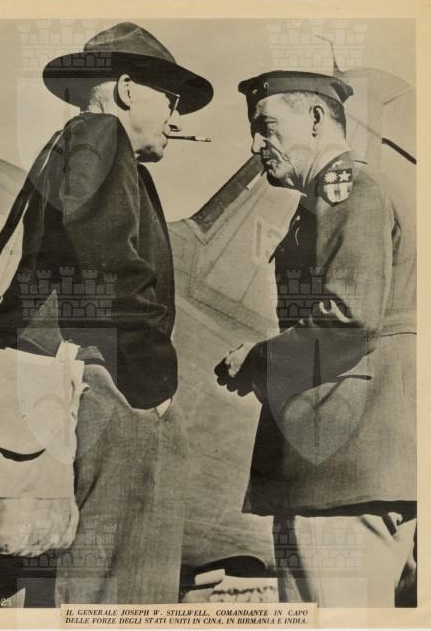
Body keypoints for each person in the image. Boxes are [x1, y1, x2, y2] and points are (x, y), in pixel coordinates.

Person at [0, 22, 213, 605]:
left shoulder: (70, 146)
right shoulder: (99, 132)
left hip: (74, 383)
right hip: (107, 384)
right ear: (129, 89)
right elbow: (106, 258)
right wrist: (151, 380)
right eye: (171, 100)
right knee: (117, 587)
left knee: (69, 580)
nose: (176, 118)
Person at [215, 70, 416, 607]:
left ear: (316, 118)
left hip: (338, 469)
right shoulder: (341, 195)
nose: (256, 145)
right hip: (359, 469)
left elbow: (350, 318)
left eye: (266, 127)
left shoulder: (346, 189)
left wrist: (258, 361)